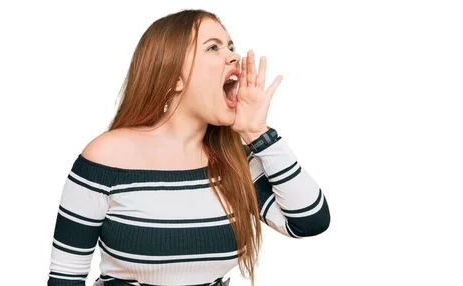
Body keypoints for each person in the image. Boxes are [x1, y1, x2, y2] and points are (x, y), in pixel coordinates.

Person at [47, 9, 330, 286]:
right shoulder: (106, 158)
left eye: (231, 46)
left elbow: (308, 221)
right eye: (213, 48)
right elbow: (65, 276)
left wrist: (257, 133)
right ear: (174, 78)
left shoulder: (235, 162)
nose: (234, 56)